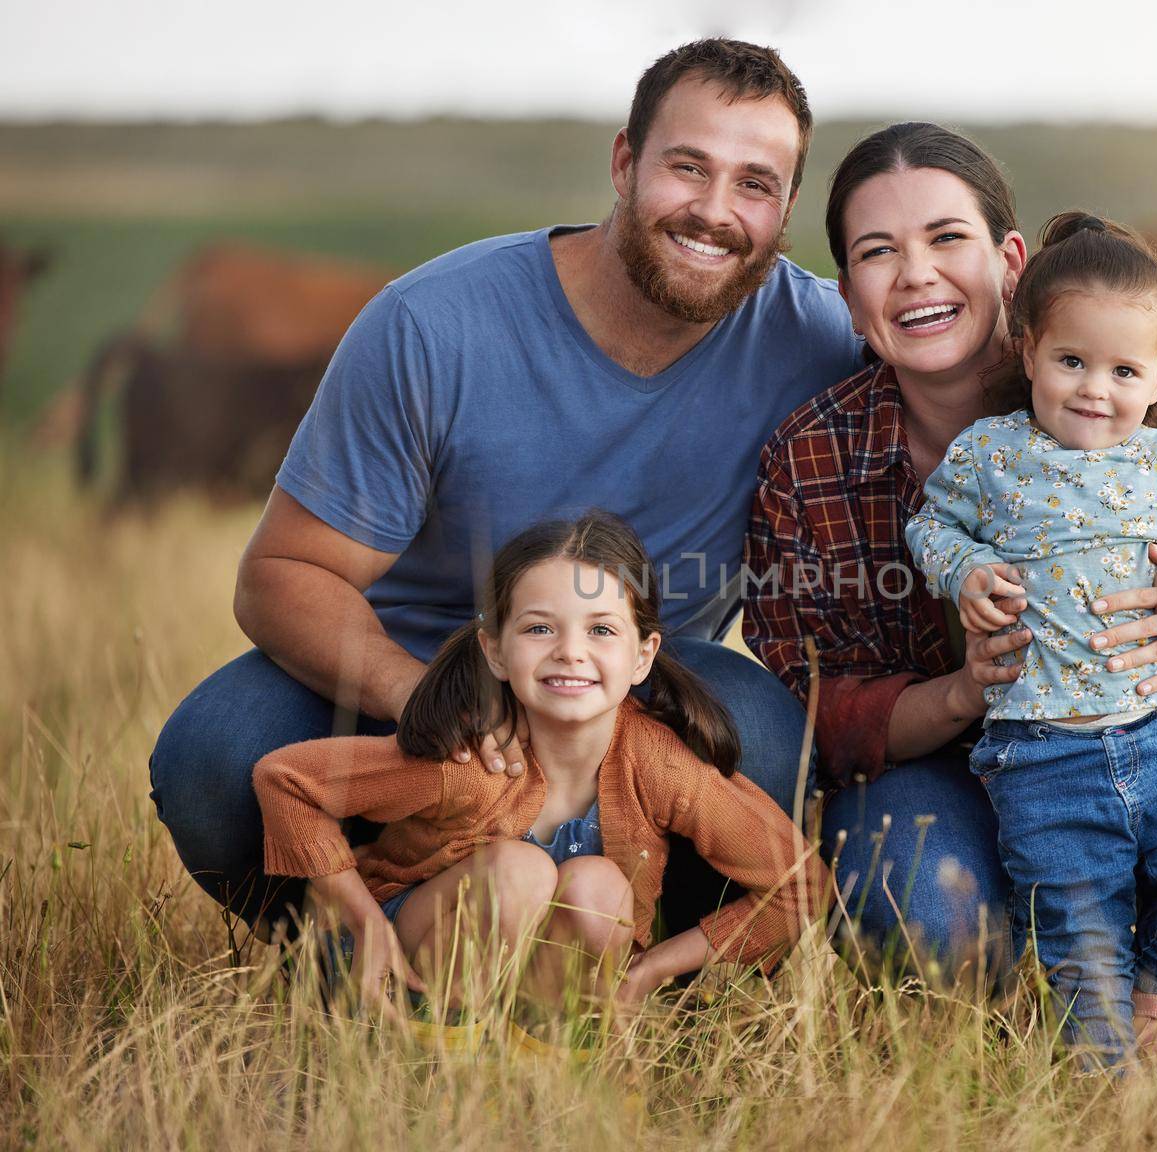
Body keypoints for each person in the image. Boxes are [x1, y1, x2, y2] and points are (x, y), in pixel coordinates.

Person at [148, 39, 860, 936]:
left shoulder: (818, 340)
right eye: (688, 168)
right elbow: (283, 573)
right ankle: (354, 940)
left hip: (622, 695)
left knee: (766, 746)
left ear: (787, 205)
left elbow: (971, 359)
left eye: (755, 183)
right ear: (624, 163)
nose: (715, 212)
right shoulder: (434, 324)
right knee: (215, 752)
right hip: (417, 684)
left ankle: (622, 959)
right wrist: (429, 703)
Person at [743, 123, 1157, 988]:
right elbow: (812, 708)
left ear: (1012, 260)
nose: (917, 274)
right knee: (940, 927)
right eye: (880, 252)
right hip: (944, 772)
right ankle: (1039, 954)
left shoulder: (1151, 407)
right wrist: (962, 691)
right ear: (848, 297)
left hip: (1147, 733)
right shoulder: (810, 457)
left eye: (948, 238)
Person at [903, 210, 1157, 1072]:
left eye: (1123, 370)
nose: (1093, 389)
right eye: (1071, 361)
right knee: (1079, 936)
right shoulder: (991, 455)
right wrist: (962, 571)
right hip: (1040, 757)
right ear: (1029, 352)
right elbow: (932, 529)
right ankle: (1110, 1090)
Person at [254, 512, 826, 1017]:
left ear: (642, 656)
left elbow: (800, 883)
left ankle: (543, 1047)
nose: (569, 651)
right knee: (518, 873)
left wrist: (654, 969)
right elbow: (287, 782)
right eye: (539, 628)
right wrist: (362, 920)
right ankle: (437, 1038)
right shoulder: (471, 757)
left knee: (601, 888)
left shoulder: (660, 766)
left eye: (601, 629)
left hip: (544, 992)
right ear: (495, 650)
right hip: (403, 967)